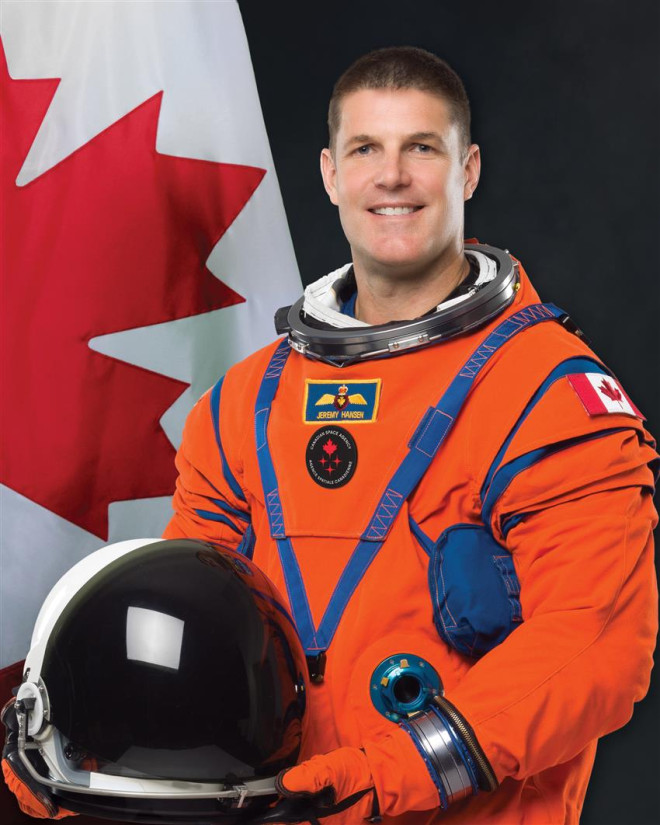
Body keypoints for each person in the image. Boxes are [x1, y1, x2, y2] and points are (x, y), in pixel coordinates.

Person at [4, 46, 658, 825]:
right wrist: (79, 758)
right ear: (330, 174)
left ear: (468, 170)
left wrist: (391, 774)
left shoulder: (549, 396)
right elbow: (186, 628)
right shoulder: (246, 403)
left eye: (422, 148)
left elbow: (594, 645)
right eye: (366, 149)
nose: (392, 177)